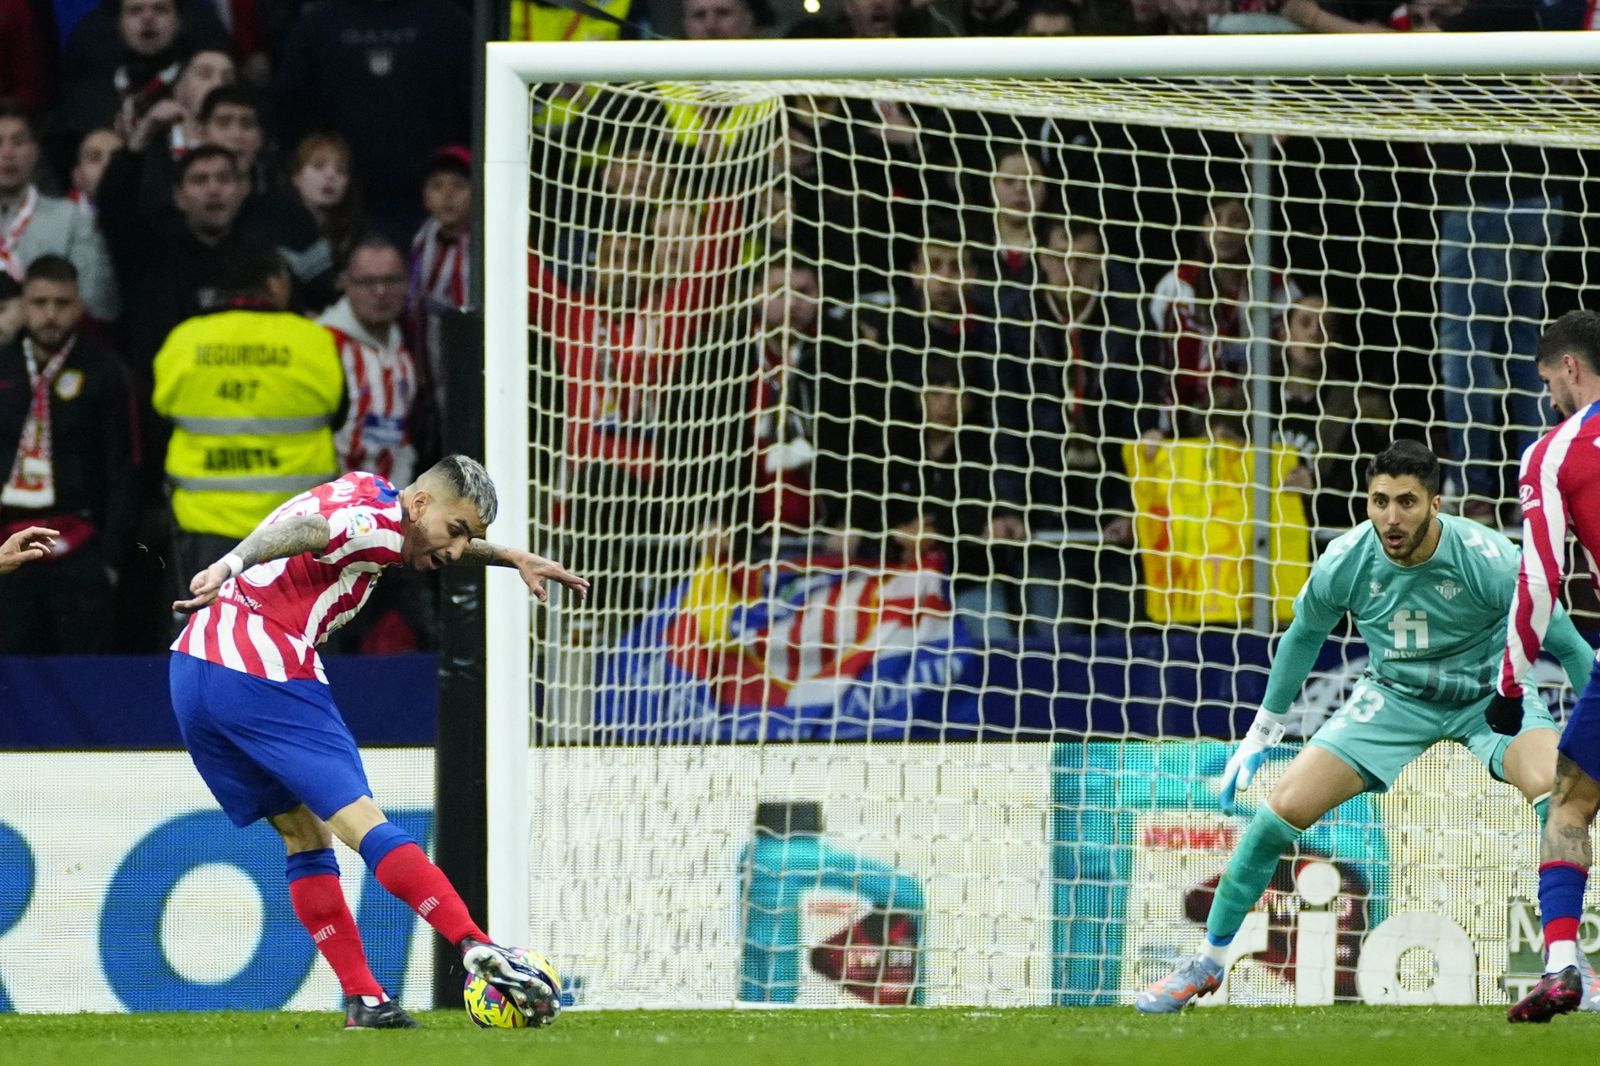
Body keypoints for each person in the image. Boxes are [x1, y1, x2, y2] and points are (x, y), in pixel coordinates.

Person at [1135, 440, 1596, 1012]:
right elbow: (1303, 636)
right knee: (1279, 810)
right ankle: (1205, 962)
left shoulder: (1490, 558)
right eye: (1380, 501)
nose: (1392, 517)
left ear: (1435, 503)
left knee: (1562, 798)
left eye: (1407, 501)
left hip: (1490, 694)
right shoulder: (1347, 558)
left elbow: (1572, 646)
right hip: (1393, 697)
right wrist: (1262, 733)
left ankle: (1567, 963)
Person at [168, 454, 588, 1028]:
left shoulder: (375, 491)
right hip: (261, 664)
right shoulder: (384, 529)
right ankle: (473, 944)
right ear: (419, 505)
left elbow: (359, 530)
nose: (458, 553)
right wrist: (229, 561)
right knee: (360, 822)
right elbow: (311, 532)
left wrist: (508, 555)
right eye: (458, 533)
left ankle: (365, 998)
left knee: (302, 831)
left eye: (471, 541)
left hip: (194, 667)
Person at [1492, 310, 1600, 1022]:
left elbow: (1538, 580)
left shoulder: (1555, 451)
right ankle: (1565, 969)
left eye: (1548, 385)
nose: (1550, 401)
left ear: (1568, 368)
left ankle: (1562, 963)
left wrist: (1510, 682)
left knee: (1570, 801)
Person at [152, 243, 344, 611]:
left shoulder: (184, 341)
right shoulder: (313, 340)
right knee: (295, 644)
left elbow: (159, 422)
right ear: (275, 283)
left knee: (208, 646)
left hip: (205, 528)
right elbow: (339, 414)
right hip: (295, 529)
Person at [0, 256, 138, 653]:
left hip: (79, 544)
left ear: (79, 306)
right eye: (40, 303)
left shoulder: (105, 370)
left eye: (62, 304)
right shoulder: (3, 366)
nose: (50, 315)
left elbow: (125, 465)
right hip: (10, 543)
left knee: (84, 671)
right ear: (24, 306)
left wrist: (110, 560)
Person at [0, 102, 122, 322]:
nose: (7, 153)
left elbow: (99, 305)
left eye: (18, 142)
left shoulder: (71, 217)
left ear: (36, 151)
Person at [321, 236, 419, 487]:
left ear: (408, 282)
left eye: (391, 280)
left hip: (387, 506)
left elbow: (401, 440)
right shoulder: (324, 345)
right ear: (345, 283)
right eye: (367, 282)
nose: (380, 292)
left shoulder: (401, 351)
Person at [407, 145, 471, 415]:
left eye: (458, 185)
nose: (448, 195)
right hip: (429, 370)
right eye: (437, 186)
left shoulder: (490, 243)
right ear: (425, 197)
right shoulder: (422, 241)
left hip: (470, 372)